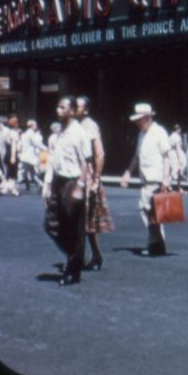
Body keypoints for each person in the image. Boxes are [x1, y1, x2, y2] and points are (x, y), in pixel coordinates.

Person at [42, 96, 91, 286]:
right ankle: (74, 255)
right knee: (51, 224)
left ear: (71, 111)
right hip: (58, 182)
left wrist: (80, 186)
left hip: (73, 181)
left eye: (62, 107)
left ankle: (73, 271)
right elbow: (53, 160)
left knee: (73, 226)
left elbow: (85, 162)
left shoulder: (79, 133)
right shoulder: (59, 133)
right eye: (57, 106)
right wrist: (47, 185)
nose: (58, 110)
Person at [121, 103, 173, 256]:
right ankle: (157, 244)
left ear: (148, 118)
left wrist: (166, 178)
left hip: (155, 179)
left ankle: (155, 244)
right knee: (150, 213)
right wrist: (128, 173)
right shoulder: (141, 135)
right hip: (146, 180)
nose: (137, 123)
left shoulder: (159, 132)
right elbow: (137, 157)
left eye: (140, 120)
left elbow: (166, 157)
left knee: (148, 211)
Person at [77, 96, 114, 271]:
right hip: (75, 175)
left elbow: (99, 153)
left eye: (77, 106)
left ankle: (85, 256)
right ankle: (94, 255)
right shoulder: (74, 126)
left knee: (86, 219)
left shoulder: (89, 125)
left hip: (87, 177)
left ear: (85, 109)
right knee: (84, 220)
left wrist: (96, 179)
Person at [19, 120, 47, 193]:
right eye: (35, 125)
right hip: (29, 157)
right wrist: (46, 149)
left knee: (30, 173)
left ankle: (41, 186)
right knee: (31, 173)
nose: (36, 126)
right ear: (32, 126)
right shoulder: (31, 134)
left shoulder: (24, 134)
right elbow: (37, 144)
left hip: (25, 156)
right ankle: (42, 186)